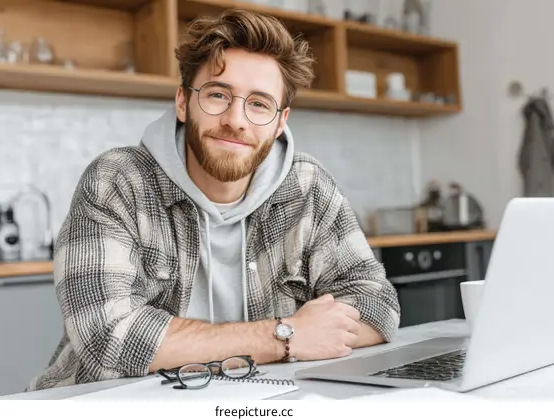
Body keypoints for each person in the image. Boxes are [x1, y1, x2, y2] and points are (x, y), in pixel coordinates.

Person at [28, 8, 400, 391]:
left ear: (280, 120)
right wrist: (284, 337)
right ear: (182, 103)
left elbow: (380, 306)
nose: (236, 119)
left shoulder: (308, 187)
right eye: (218, 94)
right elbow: (107, 339)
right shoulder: (118, 180)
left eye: (259, 104)